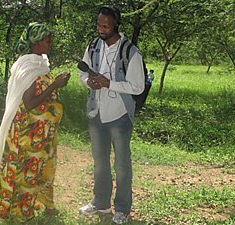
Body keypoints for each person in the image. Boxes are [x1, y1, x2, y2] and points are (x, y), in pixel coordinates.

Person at [0, 22, 70, 223]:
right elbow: (30, 102)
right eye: (46, 39)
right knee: (25, 170)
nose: (49, 43)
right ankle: (20, 211)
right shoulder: (29, 66)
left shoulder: (40, 63)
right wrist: (55, 85)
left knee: (33, 169)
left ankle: (29, 203)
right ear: (35, 42)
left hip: (39, 131)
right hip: (28, 131)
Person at [78, 5, 145, 224]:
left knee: (122, 165)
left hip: (120, 116)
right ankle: (101, 202)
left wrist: (109, 84)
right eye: (98, 24)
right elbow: (82, 72)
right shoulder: (93, 46)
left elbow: (137, 86)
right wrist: (89, 81)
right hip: (96, 112)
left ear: (115, 24)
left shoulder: (130, 52)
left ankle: (122, 209)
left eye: (105, 25)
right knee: (100, 162)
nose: (101, 28)